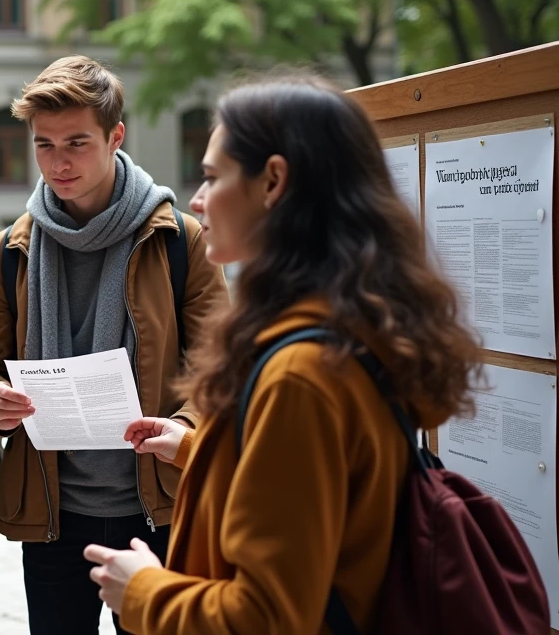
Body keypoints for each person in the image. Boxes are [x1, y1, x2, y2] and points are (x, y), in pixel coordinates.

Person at [84, 79, 482, 634]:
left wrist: (145, 591)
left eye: (213, 176)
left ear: (272, 181)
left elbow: (269, 616)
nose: (197, 200)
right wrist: (202, 449)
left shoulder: (301, 374)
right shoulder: (348, 329)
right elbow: (311, 491)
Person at [0, 55, 229, 634]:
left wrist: (184, 426)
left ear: (116, 137)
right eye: (44, 145)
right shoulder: (7, 251)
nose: (59, 162)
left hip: (160, 504)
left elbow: (222, 370)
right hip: (55, 514)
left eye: (77, 143)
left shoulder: (180, 240)